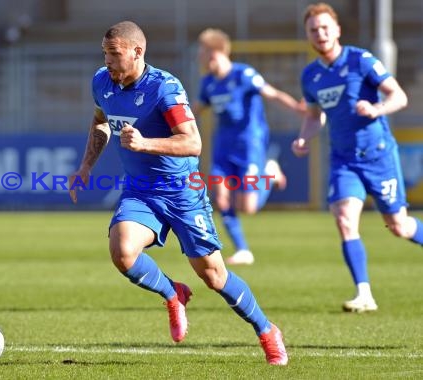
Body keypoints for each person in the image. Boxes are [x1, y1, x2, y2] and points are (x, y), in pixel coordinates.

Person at [69, 20, 288, 365]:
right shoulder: (102, 82)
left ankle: (266, 330)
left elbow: (192, 142)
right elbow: (99, 121)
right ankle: (174, 293)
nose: (107, 61)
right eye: (105, 53)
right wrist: (85, 167)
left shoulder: (164, 88)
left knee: (214, 276)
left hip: (183, 192)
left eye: (114, 54)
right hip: (141, 191)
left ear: (137, 52)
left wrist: (145, 144)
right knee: (123, 253)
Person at [293, 2, 423, 313]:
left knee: (399, 226)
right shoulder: (310, 76)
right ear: (308, 35)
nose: (320, 33)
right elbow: (314, 116)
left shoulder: (361, 60)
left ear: (337, 30)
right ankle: (364, 293)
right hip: (343, 160)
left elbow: (399, 96)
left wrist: (376, 109)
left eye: (325, 27)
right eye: (314, 29)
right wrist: (304, 136)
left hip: (378, 156)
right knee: (344, 220)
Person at [193, 28, 306, 266]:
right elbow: (194, 111)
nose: (199, 57)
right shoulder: (208, 84)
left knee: (248, 207)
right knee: (221, 199)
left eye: (202, 52)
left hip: (249, 145)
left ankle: (270, 171)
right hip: (223, 146)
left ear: (214, 52)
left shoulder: (243, 74)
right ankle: (243, 250)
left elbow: (271, 94)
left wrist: (296, 107)